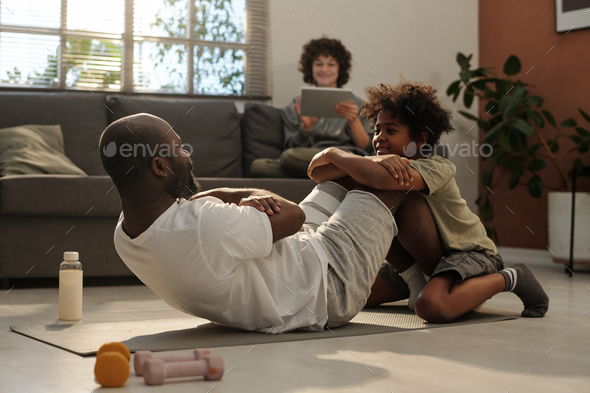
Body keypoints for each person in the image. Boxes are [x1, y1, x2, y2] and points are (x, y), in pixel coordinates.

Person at [99, 113, 444, 333]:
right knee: (385, 178)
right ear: (160, 168)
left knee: (337, 182)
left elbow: (199, 213)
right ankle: (426, 279)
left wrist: (223, 199)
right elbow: (294, 215)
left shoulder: (126, 233)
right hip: (327, 285)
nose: (189, 156)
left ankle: (406, 278)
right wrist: (243, 194)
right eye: (180, 148)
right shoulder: (206, 224)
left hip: (297, 261)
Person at [307, 80, 549, 322]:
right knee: (355, 296)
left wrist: (342, 157)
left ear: (420, 139)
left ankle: (513, 276)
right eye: (377, 130)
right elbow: (317, 173)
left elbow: (376, 178)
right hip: (417, 263)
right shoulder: (376, 165)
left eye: (390, 131)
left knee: (433, 306)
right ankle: (416, 281)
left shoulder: (438, 166)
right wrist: (332, 153)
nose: (379, 138)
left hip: (466, 256)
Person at [250, 37, 374, 178]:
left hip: (345, 156)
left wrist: (353, 121)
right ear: (310, 67)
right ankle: (334, 175)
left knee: (289, 159)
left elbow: (367, 148)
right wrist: (306, 128)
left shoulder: (356, 104)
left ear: (340, 67)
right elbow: (291, 149)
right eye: (318, 64)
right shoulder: (297, 105)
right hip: (307, 157)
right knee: (260, 166)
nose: (324, 69)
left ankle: (324, 172)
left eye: (331, 64)